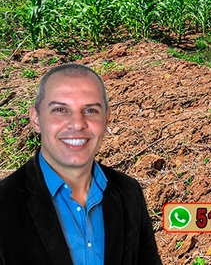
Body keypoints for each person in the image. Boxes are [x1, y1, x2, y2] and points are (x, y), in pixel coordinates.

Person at [0, 63, 162, 265]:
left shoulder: (128, 192)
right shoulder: (5, 203)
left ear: (106, 119)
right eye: (60, 109)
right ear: (36, 118)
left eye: (91, 110)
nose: (77, 124)